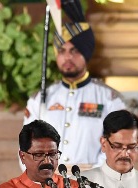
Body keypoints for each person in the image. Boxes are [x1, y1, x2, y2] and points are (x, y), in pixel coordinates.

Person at [23, 0, 125, 169]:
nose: (67, 57)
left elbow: (119, 145)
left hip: (94, 185)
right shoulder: (40, 99)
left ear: (86, 54)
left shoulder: (110, 99)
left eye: (74, 51)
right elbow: (25, 146)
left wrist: (91, 176)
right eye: (62, 51)